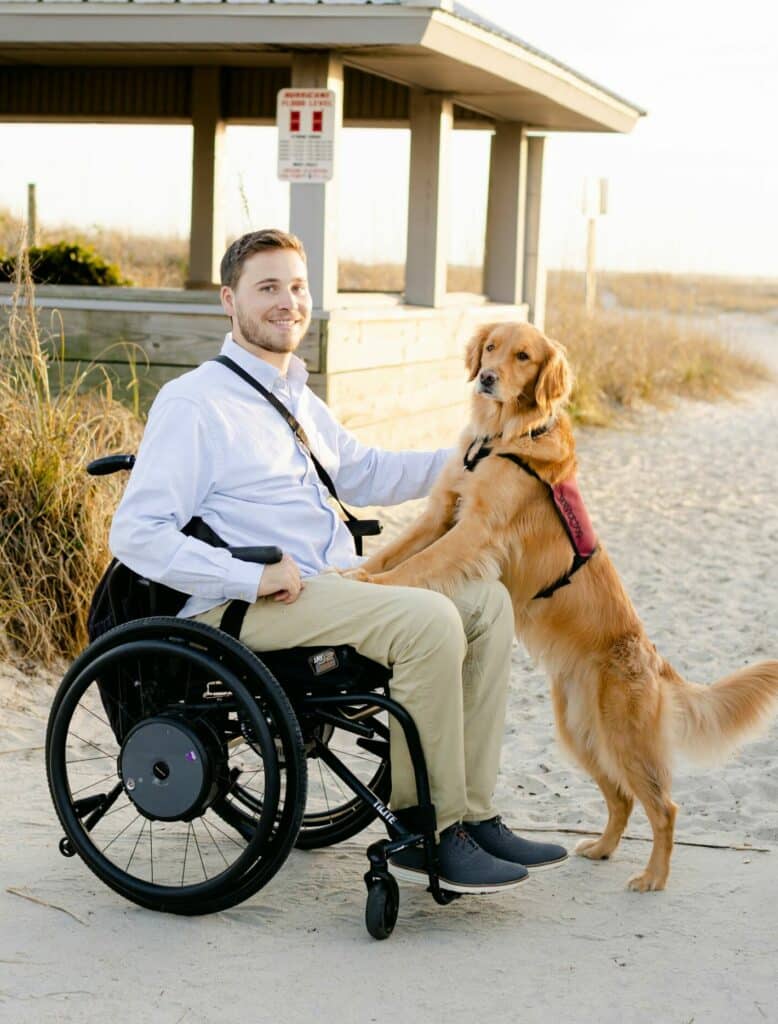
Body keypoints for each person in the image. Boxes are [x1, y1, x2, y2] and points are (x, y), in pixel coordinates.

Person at [110, 228, 567, 894]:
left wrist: (489, 459)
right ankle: (426, 831)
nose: (287, 302)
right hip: (252, 604)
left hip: (327, 588)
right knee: (428, 620)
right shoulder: (195, 402)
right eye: (267, 287)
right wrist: (253, 575)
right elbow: (138, 533)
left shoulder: (292, 393)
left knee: (487, 602)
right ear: (228, 299)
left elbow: (364, 470)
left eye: (297, 287)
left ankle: (471, 812)